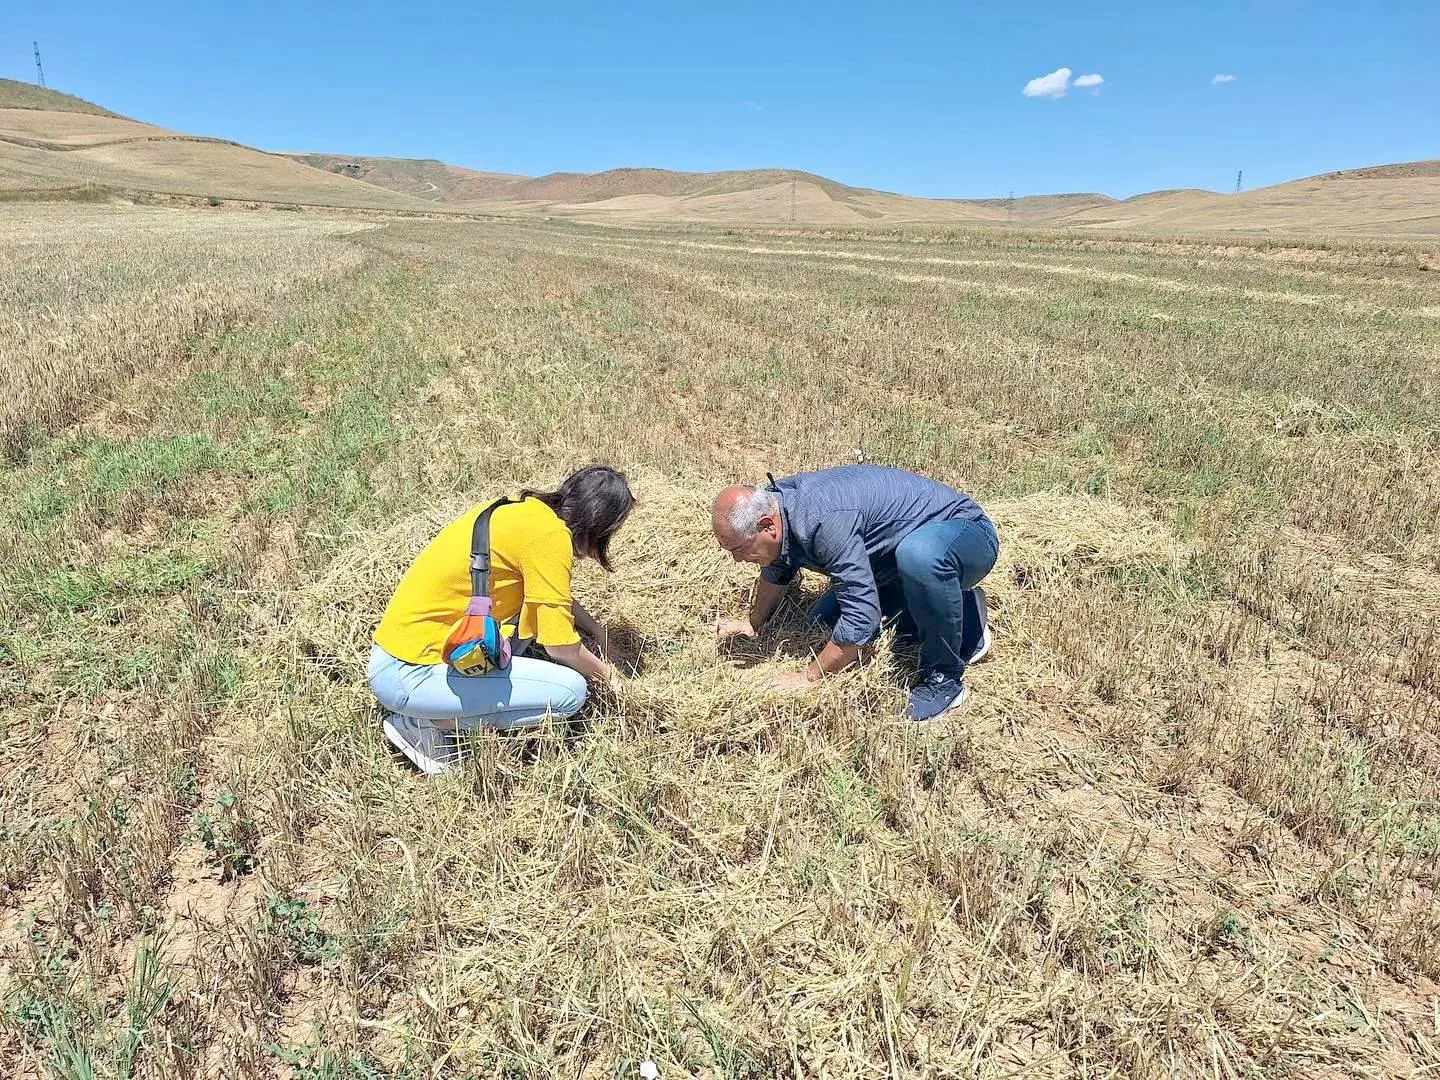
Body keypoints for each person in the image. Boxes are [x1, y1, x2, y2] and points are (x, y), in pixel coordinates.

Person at [369, 465, 634, 774]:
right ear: (600, 525)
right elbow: (560, 647)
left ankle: (438, 709)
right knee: (571, 692)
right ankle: (425, 725)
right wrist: (613, 679)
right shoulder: (551, 538)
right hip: (410, 674)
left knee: (527, 618)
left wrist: (597, 631)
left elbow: (551, 597)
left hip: (396, 652)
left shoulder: (525, 512)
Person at [712, 465, 998, 721]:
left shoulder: (823, 521)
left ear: (767, 526)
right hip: (892, 557)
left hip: (964, 534)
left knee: (918, 557)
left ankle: (944, 678)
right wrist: (753, 623)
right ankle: (961, 608)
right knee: (822, 623)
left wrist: (810, 678)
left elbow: (861, 618)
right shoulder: (778, 504)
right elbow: (778, 564)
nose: (737, 560)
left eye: (738, 549)